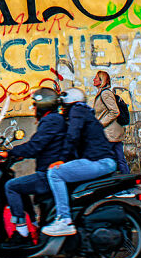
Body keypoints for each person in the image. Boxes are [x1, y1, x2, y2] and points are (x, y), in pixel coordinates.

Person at [0, 87, 66, 248]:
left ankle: (22, 233)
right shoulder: (54, 119)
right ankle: (33, 224)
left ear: (43, 106)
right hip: (49, 171)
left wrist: (9, 153)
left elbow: (35, 146)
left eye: (35, 105)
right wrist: (17, 155)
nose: (33, 108)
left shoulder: (51, 121)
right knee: (22, 187)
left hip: (47, 174)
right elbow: (39, 146)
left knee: (11, 186)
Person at [41, 87, 117, 237]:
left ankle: (64, 220)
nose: (62, 109)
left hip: (99, 162)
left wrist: (61, 160)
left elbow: (72, 137)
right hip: (102, 161)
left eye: (63, 105)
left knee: (55, 174)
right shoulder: (85, 113)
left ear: (69, 102)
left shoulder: (77, 111)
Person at [93, 69, 129, 174]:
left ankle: (120, 182)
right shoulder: (103, 93)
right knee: (119, 159)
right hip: (113, 133)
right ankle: (128, 182)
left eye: (96, 78)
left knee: (107, 160)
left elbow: (114, 111)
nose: (94, 80)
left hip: (110, 133)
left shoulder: (105, 94)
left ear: (101, 80)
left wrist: (100, 124)